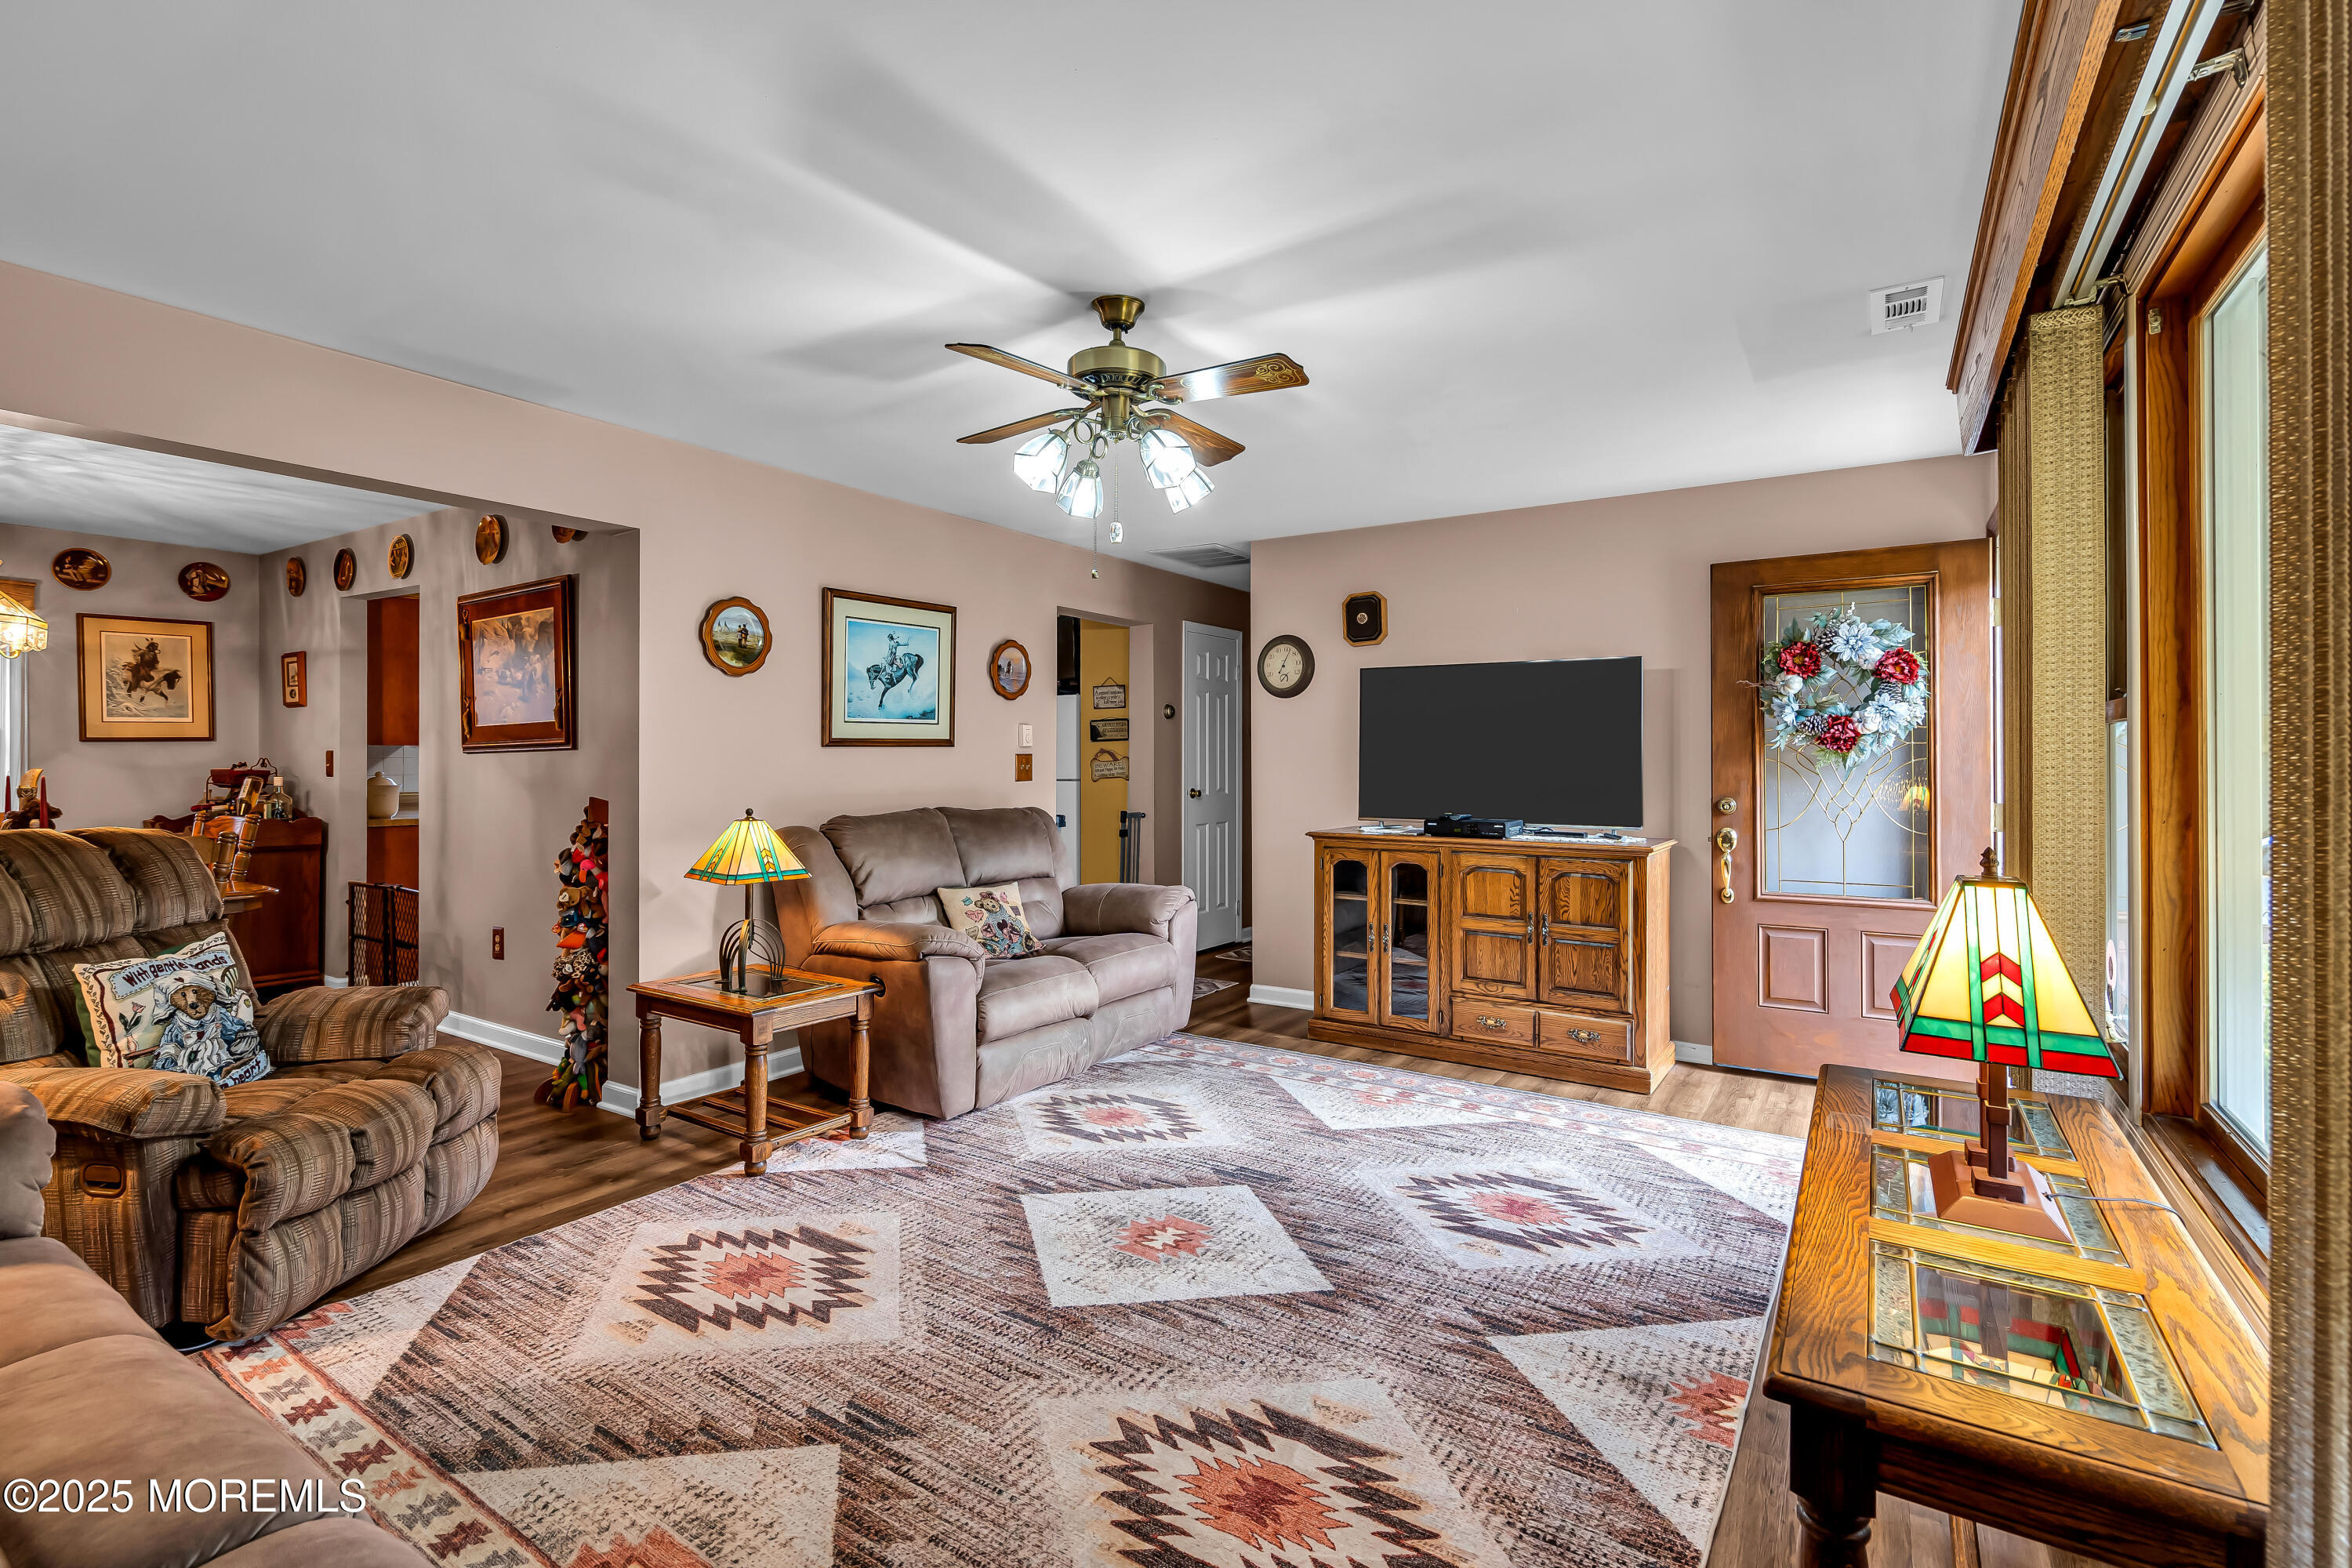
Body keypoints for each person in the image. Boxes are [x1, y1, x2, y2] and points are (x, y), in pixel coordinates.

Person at [151, 978, 270, 1085]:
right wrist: (168, 1068)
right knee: (201, 1053)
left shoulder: (218, 1013)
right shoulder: (177, 1026)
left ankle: (233, 1068)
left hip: (222, 1052)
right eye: (183, 995)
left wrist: (242, 1037)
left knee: (227, 1046)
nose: (192, 1002)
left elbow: (233, 1029)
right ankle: (214, 1078)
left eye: (195, 992)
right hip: (192, 1062)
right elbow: (169, 1049)